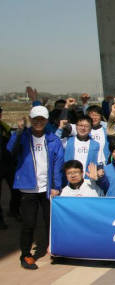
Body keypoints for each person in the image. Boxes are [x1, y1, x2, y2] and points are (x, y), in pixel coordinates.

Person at [8, 106, 64, 269]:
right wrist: (18, 132)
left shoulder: (53, 139)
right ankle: (25, 255)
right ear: (30, 119)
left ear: (46, 120)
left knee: (51, 221)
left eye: (42, 119)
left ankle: (53, 249)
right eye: (35, 119)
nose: (39, 122)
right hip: (28, 188)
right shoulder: (22, 136)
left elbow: (57, 164)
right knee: (29, 223)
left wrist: (56, 186)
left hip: (47, 188)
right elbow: (11, 151)